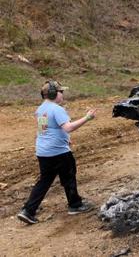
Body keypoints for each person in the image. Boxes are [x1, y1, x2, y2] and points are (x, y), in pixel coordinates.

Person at [17, 80, 97, 225]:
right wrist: (87, 118)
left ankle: (28, 210)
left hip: (43, 152)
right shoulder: (57, 109)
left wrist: (64, 139)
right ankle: (75, 205)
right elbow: (68, 128)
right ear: (54, 94)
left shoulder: (41, 109)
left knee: (44, 181)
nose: (62, 94)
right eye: (61, 92)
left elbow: (44, 130)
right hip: (58, 152)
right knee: (69, 176)